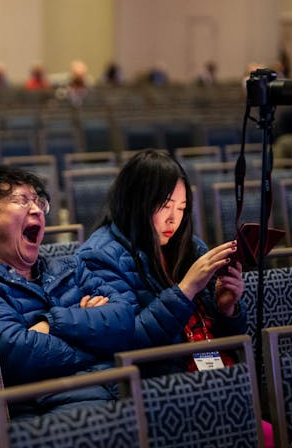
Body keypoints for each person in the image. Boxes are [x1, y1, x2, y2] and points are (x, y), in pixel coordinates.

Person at [0, 166, 160, 414]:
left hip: (122, 391)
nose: (37, 210)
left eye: (39, 202)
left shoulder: (70, 267)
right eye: (21, 201)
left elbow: (125, 320)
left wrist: (52, 324)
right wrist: (96, 337)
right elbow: (19, 357)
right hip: (50, 415)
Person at [76, 149, 246, 375]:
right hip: (165, 382)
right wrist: (186, 290)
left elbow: (235, 338)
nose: (174, 219)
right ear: (137, 202)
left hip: (220, 369)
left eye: (182, 208)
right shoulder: (99, 257)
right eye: (165, 206)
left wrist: (227, 309)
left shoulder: (191, 246)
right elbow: (128, 341)